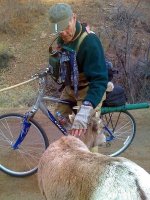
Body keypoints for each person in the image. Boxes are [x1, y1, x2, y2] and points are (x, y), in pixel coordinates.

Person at [48, 3, 108, 138]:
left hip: (90, 88)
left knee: (85, 132)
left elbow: (99, 80)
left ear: (73, 18)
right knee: (59, 116)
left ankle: (90, 146)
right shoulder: (62, 39)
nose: (62, 33)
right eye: (58, 30)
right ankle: (74, 139)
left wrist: (86, 108)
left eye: (65, 27)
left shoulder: (90, 42)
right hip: (72, 87)